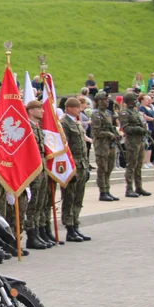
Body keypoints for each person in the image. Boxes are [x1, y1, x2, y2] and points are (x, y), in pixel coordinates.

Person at [61, 98, 91, 242]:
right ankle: (69, 227)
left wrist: (86, 166)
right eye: (76, 107)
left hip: (82, 164)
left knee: (78, 198)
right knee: (69, 197)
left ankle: (76, 224)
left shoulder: (77, 122)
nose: (80, 109)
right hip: (71, 164)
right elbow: (65, 147)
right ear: (69, 108)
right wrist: (68, 168)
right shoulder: (64, 123)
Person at [24, 99, 53, 250]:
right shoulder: (27, 127)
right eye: (39, 109)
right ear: (31, 111)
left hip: (42, 167)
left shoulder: (38, 126)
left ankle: (40, 231)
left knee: (41, 202)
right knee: (33, 203)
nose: (42, 111)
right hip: (33, 169)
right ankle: (32, 235)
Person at [120, 92, 151, 197]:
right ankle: (129, 188)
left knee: (138, 166)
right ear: (128, 101)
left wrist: (144, 129)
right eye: (133, 100)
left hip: (140, 141)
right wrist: (138, 129)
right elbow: (126, 128)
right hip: (132, 142)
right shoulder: (125, 113)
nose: (135, 102)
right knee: (131, 166)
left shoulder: (136, 112)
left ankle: (139, 187)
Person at [90, 92, 120, 201]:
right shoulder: (96, 114)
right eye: (104, 99)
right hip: (101, 145)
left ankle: (107, 189)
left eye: (107, 100)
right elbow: (96, 132)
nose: (107, 101)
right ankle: (102, 191)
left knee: (109, 168)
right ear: (98, 101)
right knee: (102, 169)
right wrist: (108, 134)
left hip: (110, 145)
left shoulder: (108, 113)